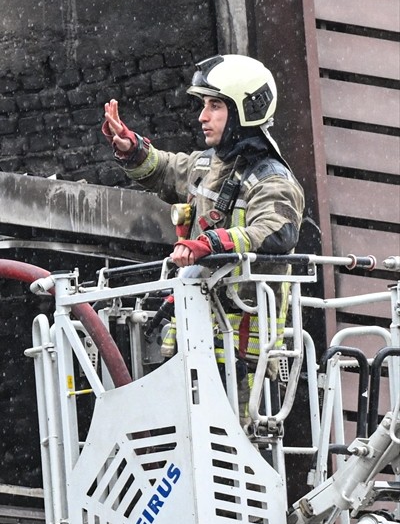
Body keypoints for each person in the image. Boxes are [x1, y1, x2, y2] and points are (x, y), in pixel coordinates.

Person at [100, 54, 306, 418]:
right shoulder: (210, 165)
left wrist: (210, 244)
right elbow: (165, 170)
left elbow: (275, 232)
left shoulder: (274, 180)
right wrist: (130, 147)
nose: (202, 116)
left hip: (241, 360)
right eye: (203, 105)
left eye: (215, 106)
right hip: (194, 345)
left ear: (245, 111)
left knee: (232, 457)